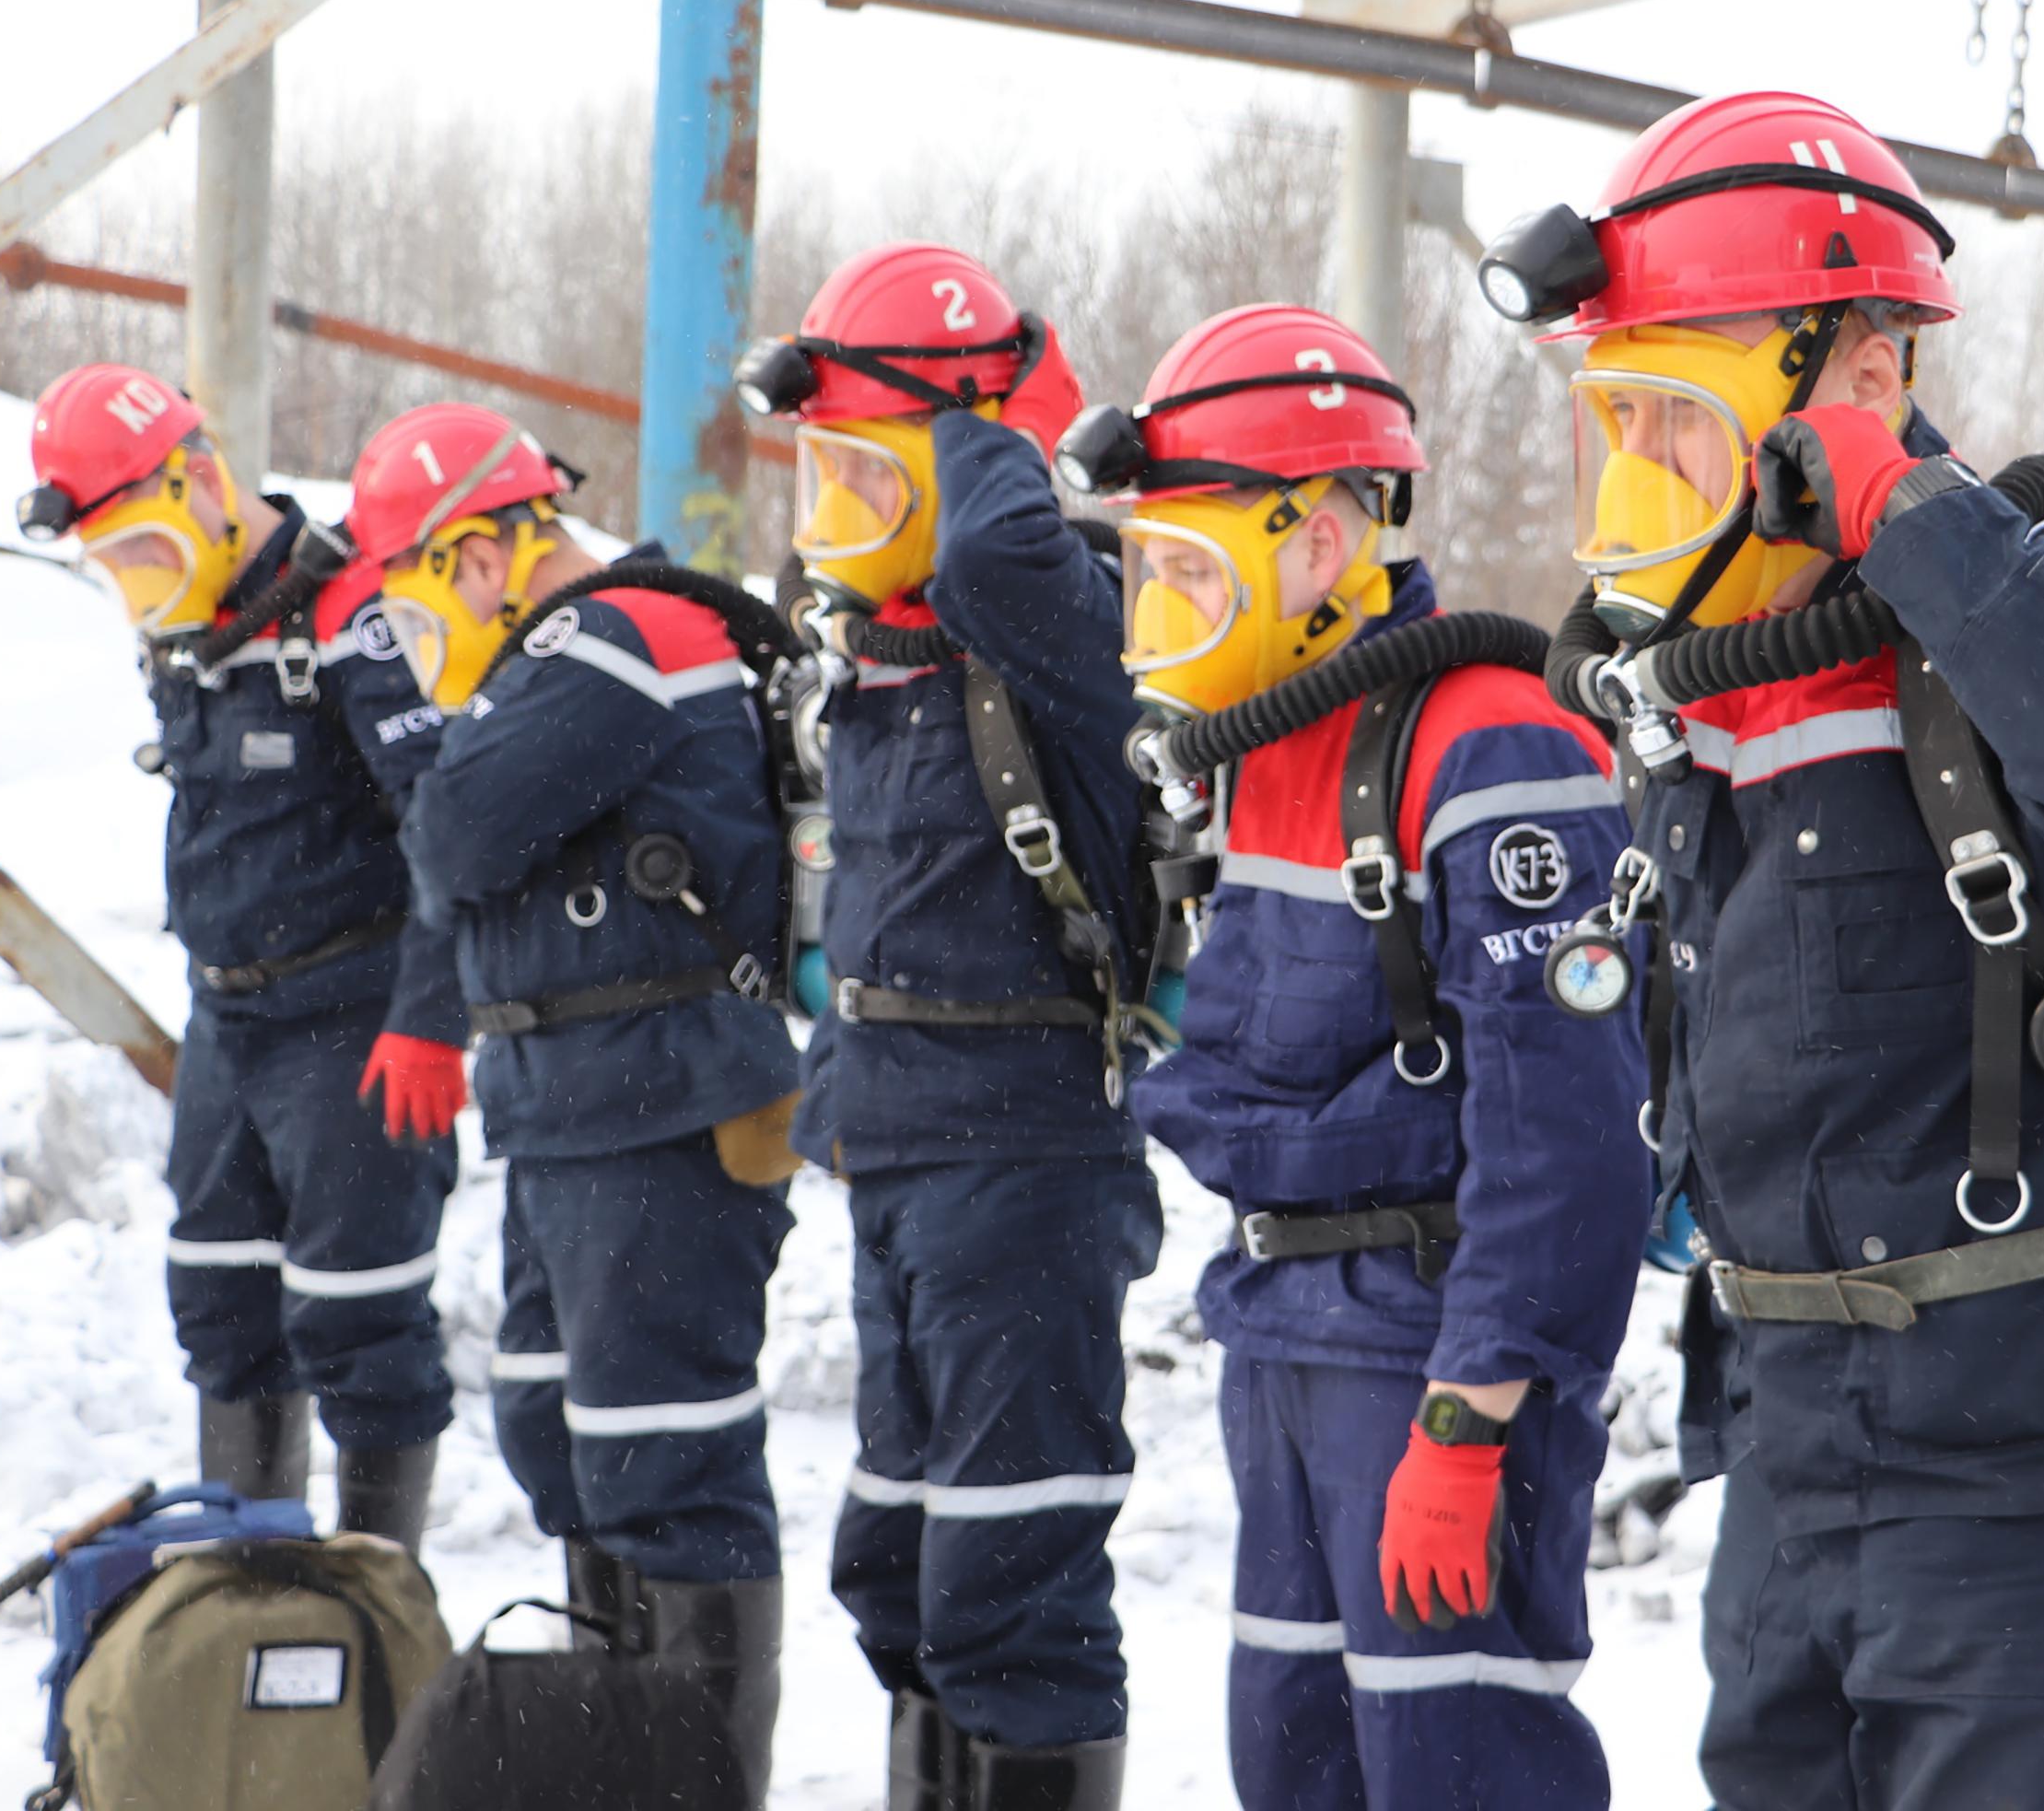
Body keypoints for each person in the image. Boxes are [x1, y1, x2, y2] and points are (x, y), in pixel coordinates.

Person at [1485, 92, 2044, 1808]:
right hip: (1788, 1448)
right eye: (1614, 421)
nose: (1641, 478)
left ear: (1851, 377)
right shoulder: (1704, 672)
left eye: (1670, 420)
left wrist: (1902, 505)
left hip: (2035, 1465)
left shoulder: (2028, 566)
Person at [1064, 304, 1652, 1810]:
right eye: (1155, 574)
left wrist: (1472, 1421)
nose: (1160, 618)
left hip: (1429, 1362)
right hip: (1287, 1343)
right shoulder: (1264, 752)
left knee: (1457, 1775)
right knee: (1295, 1762)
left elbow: (1566, 1143)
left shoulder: (1492, 745)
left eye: (1194, 572)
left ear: (1320, 543)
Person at [737, 242, 1160, 1811]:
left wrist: (986, 410)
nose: (836, 514)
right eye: (821, 473)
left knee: (1014, 1588)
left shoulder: (1050, 614)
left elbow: (993, 552)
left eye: (870, 472)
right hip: (904, 1156)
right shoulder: (880, 656)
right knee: (898, 1572)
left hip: (1028, 1162)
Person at [349, 403, 801, 1799]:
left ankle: (697, 1780)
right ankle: (620, 1765)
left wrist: (451, 760)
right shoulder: (556, 667)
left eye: (423, 601)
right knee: (564, 1438)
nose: (422, 651)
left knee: (668, 1469)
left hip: (662, 1108)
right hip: (575, 1108)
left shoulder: (622, 638)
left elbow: (458, 835)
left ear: (484, 555)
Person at [18, 365, 459, 1551]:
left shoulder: (352, 615)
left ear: (201, 480)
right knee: (221, 1304)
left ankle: (376, 1611)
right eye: (117, 570)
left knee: (359, 1321)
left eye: (149, 552)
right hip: (228, 1021)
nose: (141, 590)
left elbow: (451, 834)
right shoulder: (187, 632)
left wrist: (430, 1016)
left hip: (354, 1016)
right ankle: (254, 1607)